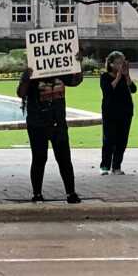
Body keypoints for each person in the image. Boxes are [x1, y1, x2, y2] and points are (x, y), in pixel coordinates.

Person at [18, 62, 83, 203]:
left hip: (58, 123)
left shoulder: (61, 71)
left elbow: (75, 81)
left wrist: (78, 63)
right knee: (39, 158)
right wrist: (27, 77)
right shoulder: (32, 73)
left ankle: (71, 193)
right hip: (38, 123)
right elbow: (21, 93)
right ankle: (37, 194)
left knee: (64, 159)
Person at [99, 51, 138, 174]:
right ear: (111, 64)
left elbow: (133, 89)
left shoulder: (124, 77)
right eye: (118, 62)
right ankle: (105, 166)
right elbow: (108, 90)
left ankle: (116, 166)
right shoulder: (105, 77)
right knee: (109, 140)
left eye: (123, 62)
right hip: (110, 112)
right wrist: (118, 77)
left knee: (122, 141)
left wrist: (126, 76)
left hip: (125, 112)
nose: (121, 65)